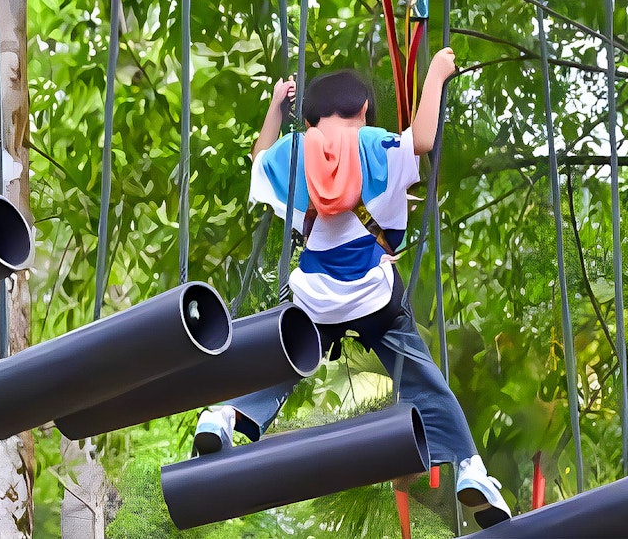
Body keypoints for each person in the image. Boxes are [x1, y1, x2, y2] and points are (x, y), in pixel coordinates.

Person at [194, 48, 511, 528]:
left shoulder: (293, 154)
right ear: (363, 108)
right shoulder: (377, 144)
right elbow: (422, 138)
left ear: (311, 116)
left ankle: (223, 417)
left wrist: (276, 107)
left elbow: (259, 159)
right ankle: (471, 470)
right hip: (374, 298)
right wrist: (437, 75)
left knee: (281, 366)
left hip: (314, 298)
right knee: (422, 378)